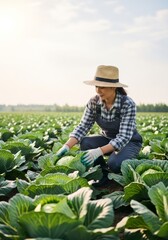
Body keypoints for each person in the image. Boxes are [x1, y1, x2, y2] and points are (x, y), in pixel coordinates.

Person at [56, 65, 143, 187]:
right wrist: (66, 146)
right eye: (96, 86)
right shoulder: (93, 102)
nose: (98, 90)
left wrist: (98, 152)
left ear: (113, 87)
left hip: (129, 142)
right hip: (107, 139)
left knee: (115, 164)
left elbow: (123, 137)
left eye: (102, 87)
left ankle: (126, 161)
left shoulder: (127, 104)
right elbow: (83, 126)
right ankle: (102, 174)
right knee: (86, 143)